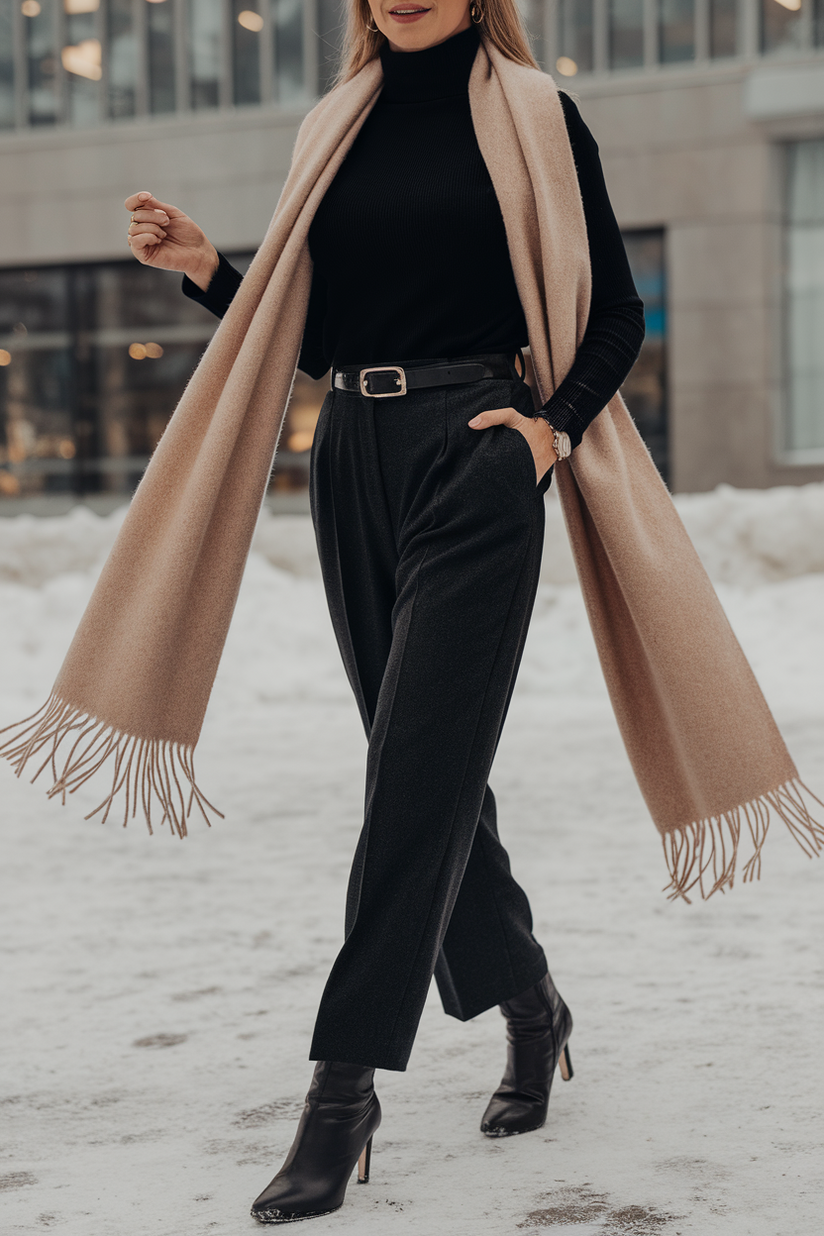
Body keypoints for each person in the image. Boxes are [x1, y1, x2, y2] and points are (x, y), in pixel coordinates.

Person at [124, 0, 644, 1224]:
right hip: (349, 456)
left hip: (477, 452)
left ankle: (339, 1093)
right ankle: (530, 1003)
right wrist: (209, 270)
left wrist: (545, 430)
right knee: (424, 760)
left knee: (411, 776)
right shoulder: (333, 124)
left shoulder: (534, 114)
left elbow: (613, 308)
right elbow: (319, 335)